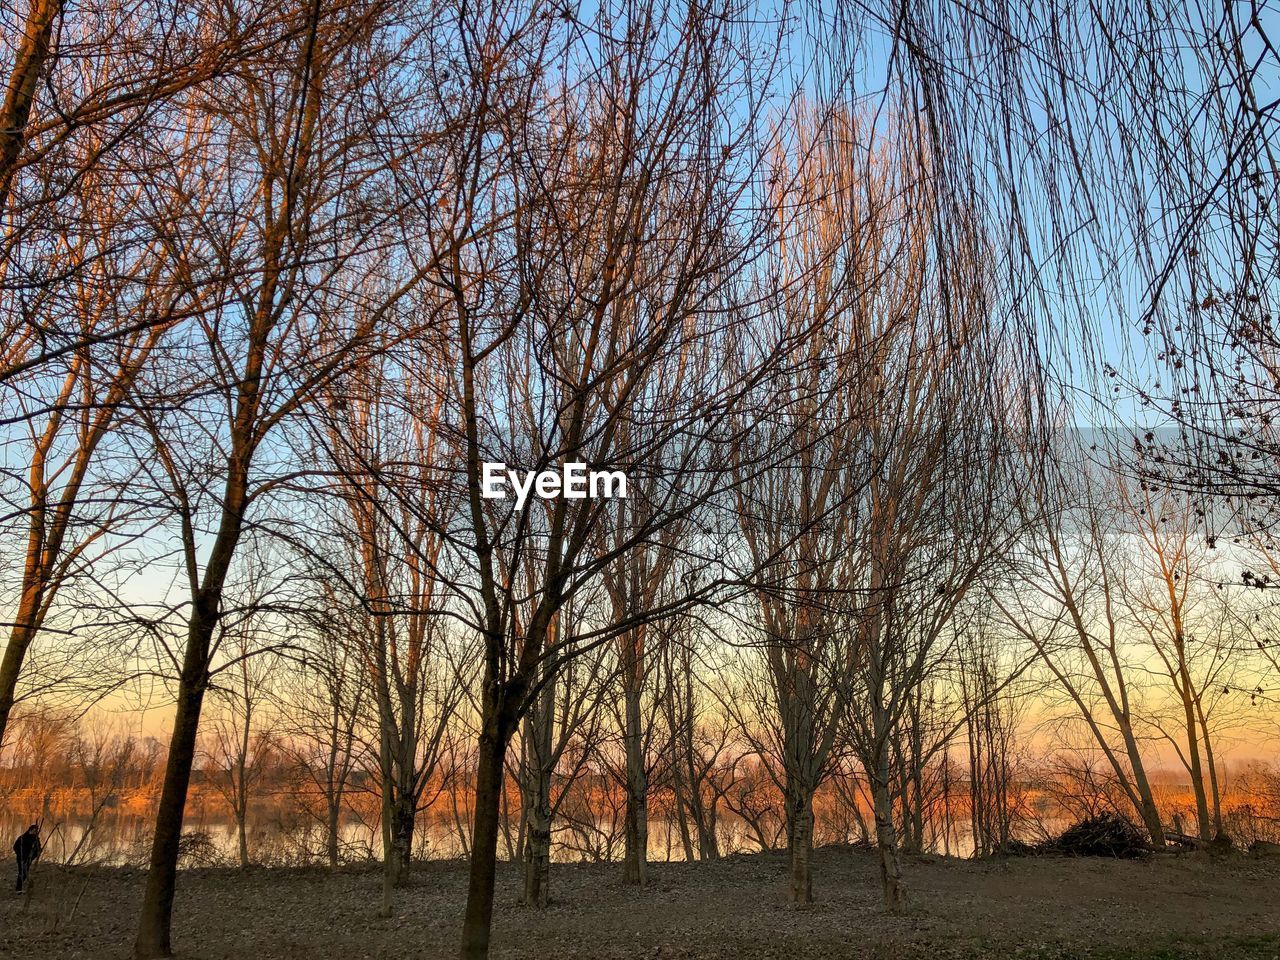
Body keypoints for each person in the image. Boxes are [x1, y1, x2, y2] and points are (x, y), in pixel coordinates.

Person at [13, 824, 40, 892]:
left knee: (25, 873)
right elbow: (15, 847)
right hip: (21, 858)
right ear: (30, 830)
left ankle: (19, 886)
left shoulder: (36, 839)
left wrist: (35, 855)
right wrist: (19, 854)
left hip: (29, 859)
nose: (34, 832)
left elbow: (38, 848)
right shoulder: (22, 838)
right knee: (21, 872)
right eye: (33, 831)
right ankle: (18, 888)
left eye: (35, 831)